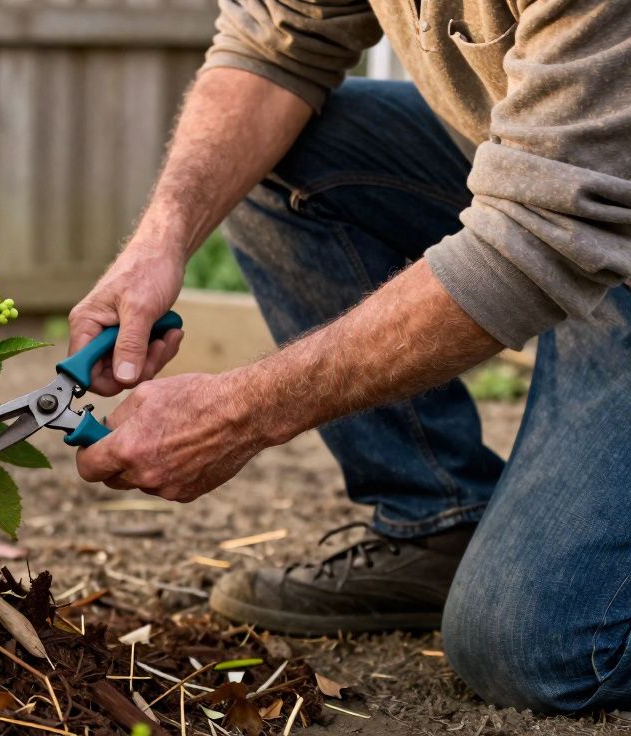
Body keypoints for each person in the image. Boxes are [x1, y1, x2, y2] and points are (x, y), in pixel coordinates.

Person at [67, 0, 631, 714]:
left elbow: (544, 234)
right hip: (573, 188)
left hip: (585, 219)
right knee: (279, 157)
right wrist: (159, 241)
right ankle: (435, 526)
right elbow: (278, 42)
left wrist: (240, 412)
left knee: (540, 649)